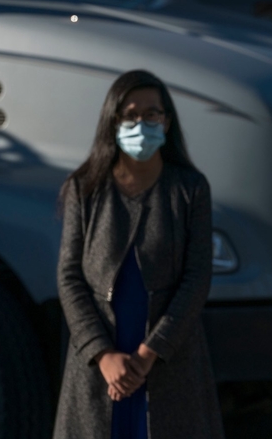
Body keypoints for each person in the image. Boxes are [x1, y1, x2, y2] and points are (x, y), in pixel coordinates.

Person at [53, 70, 224, 439]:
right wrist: (103, 355)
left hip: (170, 362)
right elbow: (69, 277)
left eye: (151, 114)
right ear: (112, 122)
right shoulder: (84, 189)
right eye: (130, 115)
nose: (141, 123)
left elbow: (197, 278)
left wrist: (149, 354)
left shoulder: (190, 189)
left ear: (166, 120)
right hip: (100, 367)